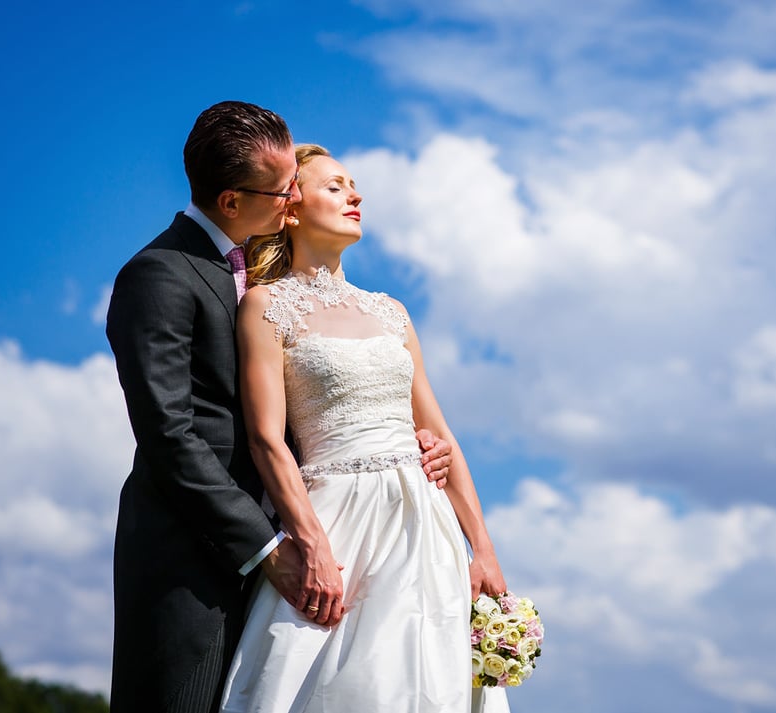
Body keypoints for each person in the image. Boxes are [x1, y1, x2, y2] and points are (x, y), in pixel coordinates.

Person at [106, 103, 452, 713]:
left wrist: (404, 441)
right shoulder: (159, 275)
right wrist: (268, 549)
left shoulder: (260, 272)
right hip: (198, 561)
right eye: (283, 186)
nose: (295, 193)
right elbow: (169, 434)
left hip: (311, 539)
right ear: (233, 201)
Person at [218, 144, 510, 712]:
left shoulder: (392, 311)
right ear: (292, 208)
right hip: (338, 525)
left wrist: (484, 549)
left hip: (425, 525)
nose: (356, 196)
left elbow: (440, 434)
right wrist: (311, 544)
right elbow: (266, 440)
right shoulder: (265, 306)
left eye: (353, 186)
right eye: (335, 186)